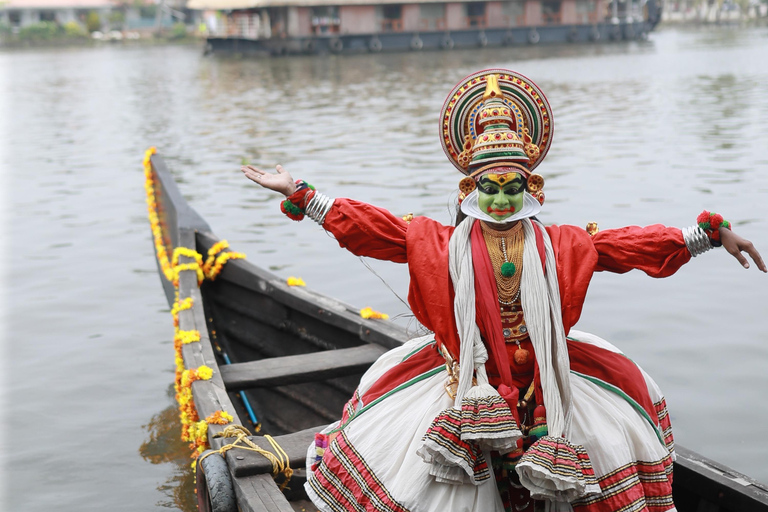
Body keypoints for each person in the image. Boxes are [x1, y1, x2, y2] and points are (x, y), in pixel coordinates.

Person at [242, 69, 765, 512]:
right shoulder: (439, 242)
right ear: (470, 189)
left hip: (549, 377)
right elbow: (374, 227)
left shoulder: (562, 245)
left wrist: (708, 236)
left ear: (530, 188)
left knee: (612, 441)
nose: (499, 201)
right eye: (488, 189)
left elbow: (629, 247)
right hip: (465, 378)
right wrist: (301, 193)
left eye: (511, 187)